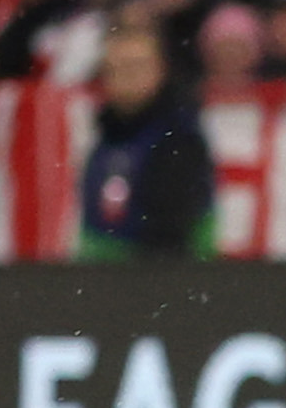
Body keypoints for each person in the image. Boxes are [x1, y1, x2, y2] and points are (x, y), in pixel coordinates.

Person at [76, 19, 215, 260]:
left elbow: (171, 240)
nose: (123, 78)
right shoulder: (103, 135)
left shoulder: (178, 138)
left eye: (134, 66)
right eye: (113, 68)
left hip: (152, 285)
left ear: (160, 69)